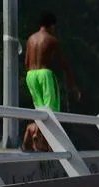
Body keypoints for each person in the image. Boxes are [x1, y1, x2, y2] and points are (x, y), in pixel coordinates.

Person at [23, 12, 81, 150]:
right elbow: (64, 64)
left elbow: (26, 62)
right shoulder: (51, 39)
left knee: (39, 110)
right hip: (45, 74)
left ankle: (36, 134)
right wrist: (73, 86)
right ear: (52, 26)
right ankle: (36, 133)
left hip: (31, 75)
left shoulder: (31, 39)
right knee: (51, 111)